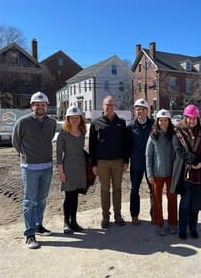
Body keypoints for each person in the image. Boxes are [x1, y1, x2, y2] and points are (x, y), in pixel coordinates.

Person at [12, 91, 56, 249]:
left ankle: (38, 225)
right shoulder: (22, 122)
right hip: (29, 168)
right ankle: (29, 234)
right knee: (29, 200)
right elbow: (15, 141)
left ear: (46, 106)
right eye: (37, 105)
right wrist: (25, 156)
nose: (40, 107)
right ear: (32, 106)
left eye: (43, 105)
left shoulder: (51, 122)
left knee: (42, 199)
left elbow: (49, 138)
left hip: (47, 167)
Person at [89, 96, 128, 228]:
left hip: (118, 161)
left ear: (114, 106)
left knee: (117, 188)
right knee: (105, 189)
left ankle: (118, 215)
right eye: (107, 104)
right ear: (103, 106)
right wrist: (93, 164)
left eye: (111, 105)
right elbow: (92, 146)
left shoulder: (121, 123)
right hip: (102, 162)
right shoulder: (96, 123)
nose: (109, 107)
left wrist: (126, 161)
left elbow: (125, 144)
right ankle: (105, 216)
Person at [171, 104, 201, 240]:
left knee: (195, 202)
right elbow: (179, 150)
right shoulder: (178, 132)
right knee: (185, 202)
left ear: (197, 119)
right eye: (189, 118)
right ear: (185, 118)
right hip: (184, 171)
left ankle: (193, 228)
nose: (192, 121)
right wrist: (193, 162)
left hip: (198, 172)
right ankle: (182, 229)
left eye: (194, 119)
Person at [145, 109, 177, 235]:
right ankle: (159, 224)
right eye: (160, 120)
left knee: (172, 198)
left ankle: (173, 223)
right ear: (157, 122)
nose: (163, 123)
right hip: (157, 173)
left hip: (171, 173)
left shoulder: (174, 135)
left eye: (165, 120)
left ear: (169, 121)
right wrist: (149, 174)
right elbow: (148, 155)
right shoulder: (153, 136)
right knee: (157, 199)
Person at [56, 106, 87, 234]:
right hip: (68, 169)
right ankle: (66, 223)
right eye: (72, 118)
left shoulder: (82, 133)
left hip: (80, 169)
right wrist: (61, 172)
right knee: (69, 196)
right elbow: (58, 156)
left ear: (80, 119)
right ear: (67, 119)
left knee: (75, 196)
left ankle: (74, 221)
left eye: (77, 117)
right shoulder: (63, 135)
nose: (75, 120)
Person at [126, 98, 155, 226]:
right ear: (135, 111)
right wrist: (126, 161)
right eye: (138, 109)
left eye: (143, 109)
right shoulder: (131, 127)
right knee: (134, 190)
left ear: (147, 111)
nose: (140, 111)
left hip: (151, 164)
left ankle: (154, 215)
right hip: (136, 164)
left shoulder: (153, 125)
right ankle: (134, 215)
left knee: (153, 191)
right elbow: (126, 146)